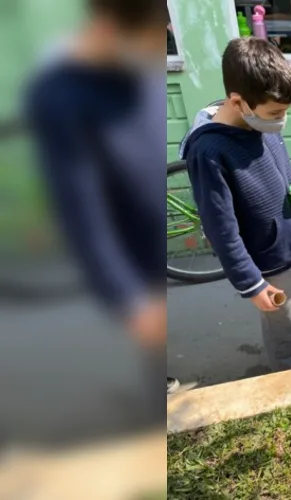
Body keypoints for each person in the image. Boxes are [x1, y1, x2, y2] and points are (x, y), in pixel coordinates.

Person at [25, 0, 171, 409]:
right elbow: (81, 210)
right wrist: (128, 299)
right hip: (133, 268)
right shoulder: (61, 96)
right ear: (108, 28)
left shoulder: (136, 72)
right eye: (148, 45)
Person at [179, 38, 291, 372]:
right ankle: (286, 373)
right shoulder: (209, 152)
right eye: (276, 113)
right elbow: (220, 228)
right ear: (238, 101)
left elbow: (279, 167)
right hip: (267, 258)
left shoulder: (258, 120)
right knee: (282, 323)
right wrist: (250, 283)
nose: (281, 121)